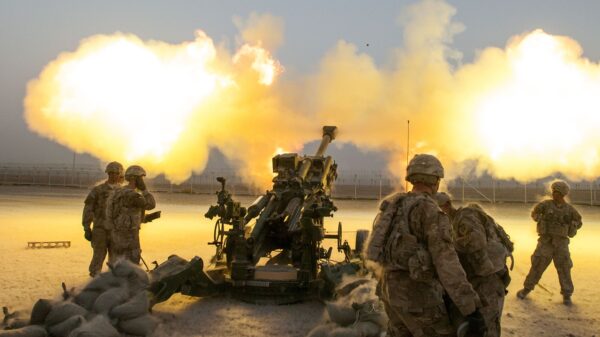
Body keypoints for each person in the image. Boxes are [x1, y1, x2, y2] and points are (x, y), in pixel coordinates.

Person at [364, 154, 485, 337]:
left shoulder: (394, 205)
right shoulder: (430, 211)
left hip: (389, 292)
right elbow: (447, 263)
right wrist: (470, 308)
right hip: (417, 297)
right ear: (435, 180)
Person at [436, 192, 513, 337]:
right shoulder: (452, 223)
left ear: (446, 205)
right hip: (478, 277)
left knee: (488, 325)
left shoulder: (465, 216)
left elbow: (476, 240)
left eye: (437, 209)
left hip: (488, 279)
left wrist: (448, 246)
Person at [517, 180, 582, 305]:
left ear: (563, 194)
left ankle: (567, 295)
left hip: (561, 244)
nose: (554, 195)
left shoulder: (570, 210)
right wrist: (540, 218)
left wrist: (572, 224)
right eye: (554, 192)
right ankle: (526, 289)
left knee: (564, 268)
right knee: (537, 266)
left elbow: (579, 222)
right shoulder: (545, 205)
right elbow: (534, 214)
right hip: (546, 242)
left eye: (557, 193)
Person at [106, 165, 155, 265]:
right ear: (134, 178)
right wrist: (144, 189)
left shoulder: (117, 192)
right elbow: (151, 204)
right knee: (132, 263)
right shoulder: (132, 195)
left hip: (116, 234)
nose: (142, 181)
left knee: (117, 263)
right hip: (129, 235)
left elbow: (123, 213)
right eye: (141, 178)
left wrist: (144, 218)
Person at [82, 161, 124, 277]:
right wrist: (86, 228)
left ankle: (113, 282)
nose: (113, 175)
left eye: (115, 173)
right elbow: (88, 209)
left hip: (117, 231)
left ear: (120, 174)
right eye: (110, 173)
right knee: (98, 256)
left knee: (116, 259)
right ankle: (94, 281)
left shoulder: (124, 192)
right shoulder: (98, 191)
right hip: (100, 230)